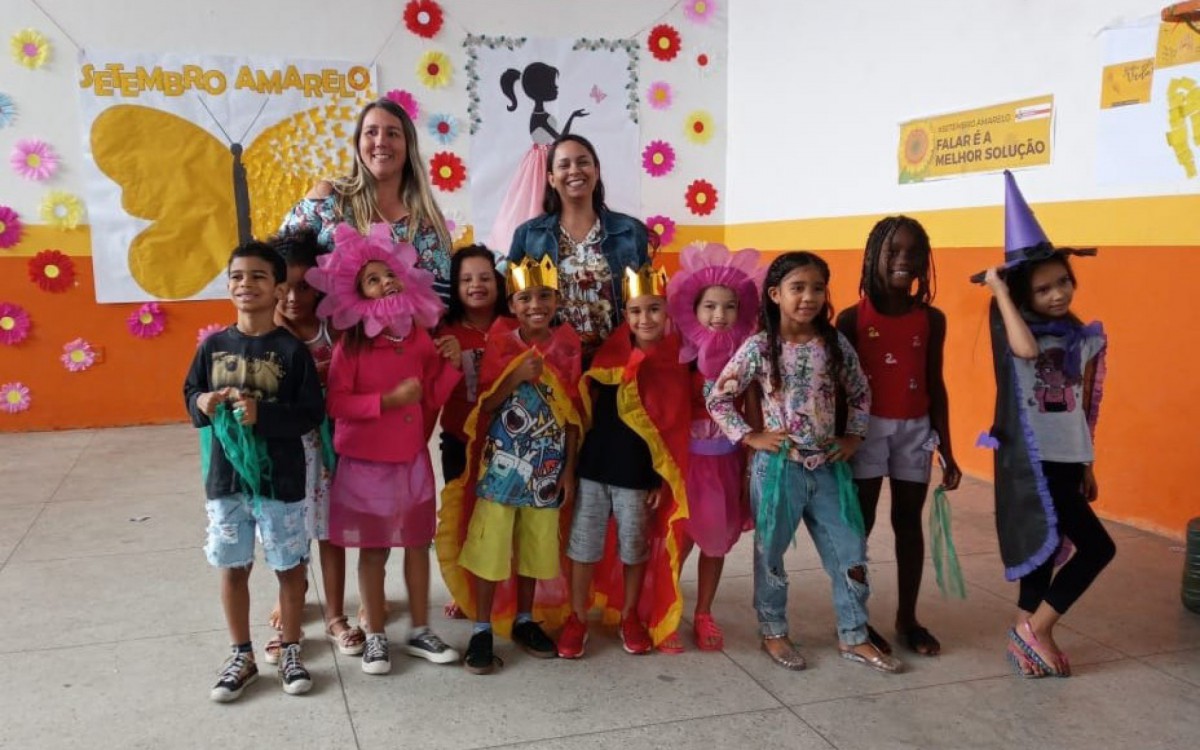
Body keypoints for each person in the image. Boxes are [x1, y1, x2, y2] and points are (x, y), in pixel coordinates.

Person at [707, 251, 903, 674]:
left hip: (830, 469)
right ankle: (773, 631)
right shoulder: (760, 347)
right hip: (779, 471)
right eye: (798, 288)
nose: (809, 297)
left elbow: (860, 392)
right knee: (770, 553)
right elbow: (718, 397)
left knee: (851, 551)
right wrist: (751, 436)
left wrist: (854, 435)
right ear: (776, 294)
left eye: (817, 288)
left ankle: (854, 634)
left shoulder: (833, 344)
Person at [976, 171, 1114, 678]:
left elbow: (1078, 406)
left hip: (1067, 462)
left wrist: (1088, 463)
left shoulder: (1076, 335)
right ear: (1022, 296)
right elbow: (1027, 349)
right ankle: (1040, 628)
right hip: (1033, 465)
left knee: (1046, 552)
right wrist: (998, 289)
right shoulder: (1018, 336)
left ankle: (1023, 636)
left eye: (1064, 282)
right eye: (1043, 288)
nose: (1058, 294)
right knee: (1099, 548)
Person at [310, 223, 462, 675]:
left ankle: (419, 629)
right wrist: (387, 402)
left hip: (411, 460)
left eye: (389, 274)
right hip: (365, 465)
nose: (385, 283)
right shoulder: (351, 345)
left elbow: (432, 393)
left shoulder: (417, 334)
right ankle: (375, 634)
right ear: (357, 294)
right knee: (373, 550)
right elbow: (336, 403)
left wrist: (450, 365)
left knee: (417, 544)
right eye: (372, 279)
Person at [183, 241, 325, 701]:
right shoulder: (213, 346)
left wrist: (264, 416)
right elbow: (191, 392)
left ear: (279, 288)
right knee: (232, 565)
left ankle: (290, 648)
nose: (247, 284)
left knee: (290, 566)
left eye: (259, 276)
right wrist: (202, 403)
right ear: (228, 285)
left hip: (280, 481)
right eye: (238, 276)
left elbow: (310, 412)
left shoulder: (291, 351)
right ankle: (241, 654)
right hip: (226, 481)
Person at [435, 255, 584, 675]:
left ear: (556, 300)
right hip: (500, 466)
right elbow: (485, 407)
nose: (536, 304)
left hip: (547, 469)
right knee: (490, 545)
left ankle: (523, 619)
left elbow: (573, 416)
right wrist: (516, 376)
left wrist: (568, 470)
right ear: (512, 303)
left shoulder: (567, 345)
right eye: (525, 298)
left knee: (536, 548)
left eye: (545, 296)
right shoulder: (501, 341)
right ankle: (482, 628)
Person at [835, 216, 961, 657]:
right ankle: (855, 617)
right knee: (860, 525)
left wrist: (946, 444)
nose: (903, 260)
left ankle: (907, 618)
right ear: (873, 257)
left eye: (913, 252)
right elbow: (839, 388)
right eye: (893, 251)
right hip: (865, 432)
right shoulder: (852, 319)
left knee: (909, 524)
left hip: (915, 430)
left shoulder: (933, 320)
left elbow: (935, 381)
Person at [558, 264, 691, 659]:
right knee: (583, 547)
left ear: (667, 313)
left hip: (637, 476)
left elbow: (673, 429)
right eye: (635, 311)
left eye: (654, 309)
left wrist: (658, 477)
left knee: (634, 548)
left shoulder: (677, 363)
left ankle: (630, 615)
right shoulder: (610, 354)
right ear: (626, 315)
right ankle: (577, 615)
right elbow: (584, 411)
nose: (644, 318)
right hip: (595, 470)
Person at [261, 229, 364, 661]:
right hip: (285, 450)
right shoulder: (266, 332)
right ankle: (292, 597)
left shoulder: (335, 328)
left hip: (332, 448)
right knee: (290, 529)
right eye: (282, 287)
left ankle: (337, 615)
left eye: (304, 286)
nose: (291, 299)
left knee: (331, 531)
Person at [659, 242, 763, 652]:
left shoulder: (746, 357)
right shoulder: (681, 358)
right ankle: (666, 611)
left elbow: (753, 414)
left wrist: (750, 462)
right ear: (694, 310)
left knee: (716, 543)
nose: (719, 315)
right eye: (710, 306)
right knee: (677, 543)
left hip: (726, 466)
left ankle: (703, 612)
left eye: (729, 306)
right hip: (687, 466)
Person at [280, 98, 454, 306]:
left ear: (408, 146)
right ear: (358, 143)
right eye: (371, 132)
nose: (381, 142)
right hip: (321, 335)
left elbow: (438, 304)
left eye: (392, 133)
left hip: (399, 337)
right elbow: (278, 264)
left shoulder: (427, 226)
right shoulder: (327, 198)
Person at [508, 134, 651, 363]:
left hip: (615, 364)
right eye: (564, 165)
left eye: (582, 162)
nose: (574, 170)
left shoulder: (630, 231)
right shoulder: (528, 235)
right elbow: (513, 306)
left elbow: (646, 302)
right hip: (553, 365)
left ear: (596, 170)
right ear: (552, 179)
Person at [487, 62, 589, 252]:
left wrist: (573, 117)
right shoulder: (540, 116)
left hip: (551, 158)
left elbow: (560, 139)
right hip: (543, 163)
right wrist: (572, 117)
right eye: (553, 85)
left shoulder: (541, 114)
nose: (557, 88)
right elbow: (561, 138)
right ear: (542, 89)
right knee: (537, 202)